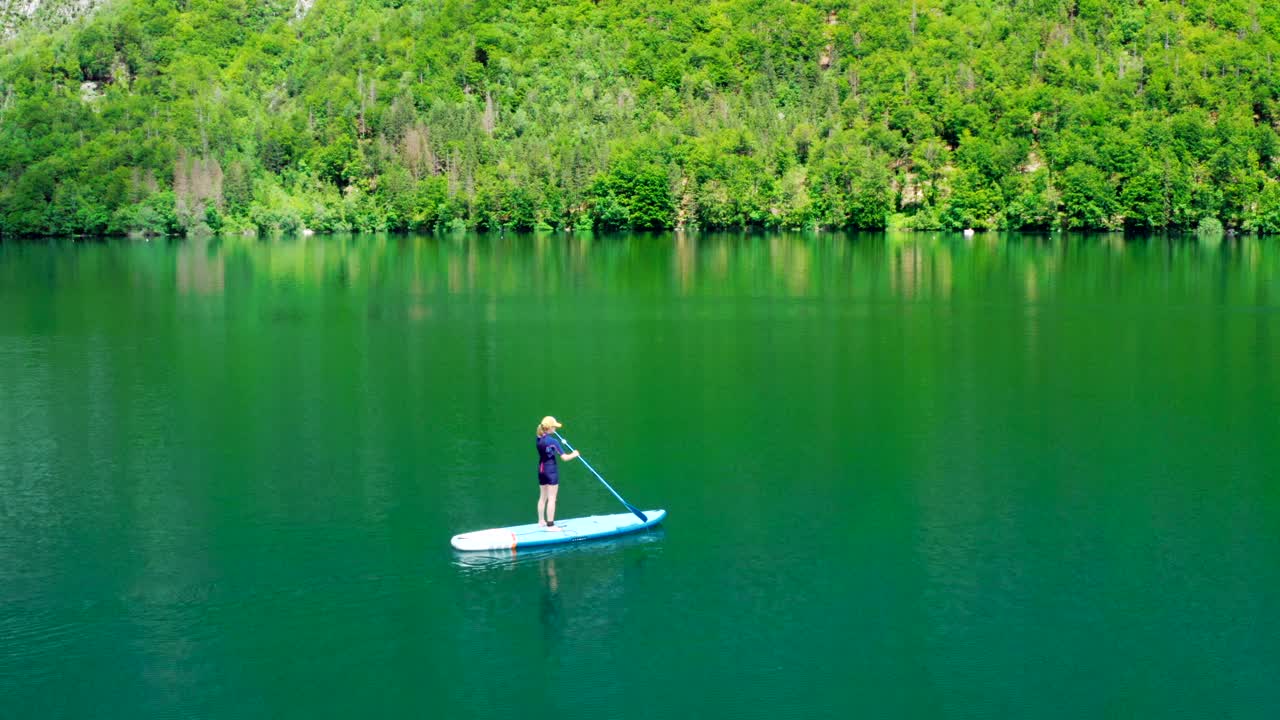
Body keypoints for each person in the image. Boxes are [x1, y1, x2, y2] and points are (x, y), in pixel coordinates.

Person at [536, 416, 579, 530]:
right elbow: (564, 458)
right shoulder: (553, 441)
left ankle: (541, 521)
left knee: (543, 497)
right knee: (552, 498)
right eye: (554, 426)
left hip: (541, 470)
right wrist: (574, 454)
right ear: (549, 428)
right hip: (551, 471)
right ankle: (551, 525)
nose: (555, 428)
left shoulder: (539, 438)